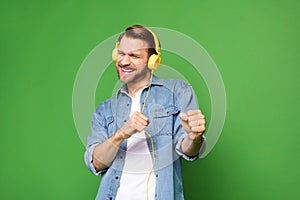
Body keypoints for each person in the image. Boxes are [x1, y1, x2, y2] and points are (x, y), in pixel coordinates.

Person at [84, 25, 206, 200]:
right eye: (121, 53)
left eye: (134, 56)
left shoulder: (178, 92)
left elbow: (188, 152)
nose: (124, 61)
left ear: (153, 61)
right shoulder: (104, 110)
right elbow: (95, 164)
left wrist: (195, 137)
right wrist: (121, 134)